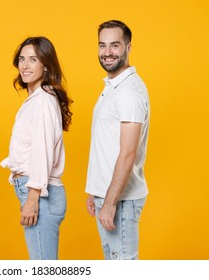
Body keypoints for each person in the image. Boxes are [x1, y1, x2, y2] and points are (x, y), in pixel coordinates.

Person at [0, 36, 73, 260]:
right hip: (36, 191)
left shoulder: (42, 101)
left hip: (40, 195)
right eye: (22, 59)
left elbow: (42, 152)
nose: (25, 65)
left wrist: (32, 199)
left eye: (33, 59)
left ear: (46, 65)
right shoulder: (38, 99)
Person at [85, 20, 150, 260]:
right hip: (108, 194)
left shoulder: (129, 92)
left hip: (120, 200)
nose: (107, 52)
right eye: (102, 45)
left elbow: (128, 153)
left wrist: (110, 202)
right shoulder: (113, 87)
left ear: (128, 47)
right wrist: (95, 191)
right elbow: (106, 144)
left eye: (115, 45)